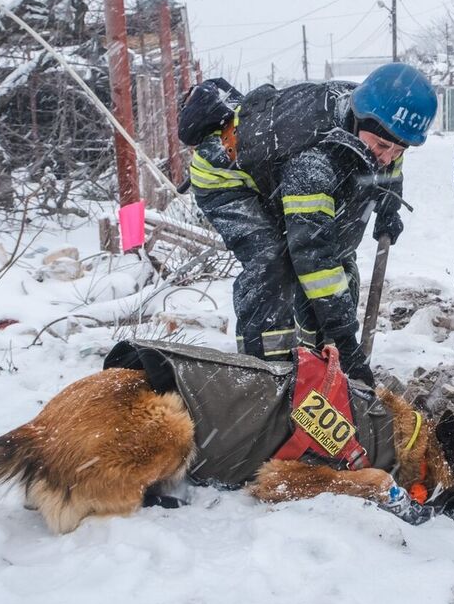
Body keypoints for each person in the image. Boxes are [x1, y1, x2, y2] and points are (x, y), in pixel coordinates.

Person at [180, 63, 436, 384]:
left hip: (277, 172)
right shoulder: (312, 158)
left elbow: (390, 165)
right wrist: (346, 339)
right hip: (226, 179)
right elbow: (312, 254)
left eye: (399, 148)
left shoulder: (378, 125)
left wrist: (388, 208)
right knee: (273, 265)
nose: (387, 156)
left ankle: (319, 355)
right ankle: (266, 371)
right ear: (361, 117)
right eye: (383, 146)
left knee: (340, 253)